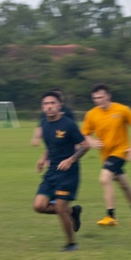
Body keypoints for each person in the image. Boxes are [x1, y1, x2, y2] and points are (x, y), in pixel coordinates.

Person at [33, 91, 91, 251]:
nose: (49, 107)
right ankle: (72, 212)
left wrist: (71, 159)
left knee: (59, 207)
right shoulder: (44, 124)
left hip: (68, 173)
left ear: (59, 106)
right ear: (42, 107)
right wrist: (43, 158)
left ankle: (71, 243)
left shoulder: (68, 125)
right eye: (46, 104)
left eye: (52, 103)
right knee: (38, 206)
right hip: (52, 172)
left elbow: (86, 146)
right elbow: (52, 146)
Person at [81, 83, 131, 226]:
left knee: (104, 178)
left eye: (101, 97)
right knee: (123, 184)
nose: (98, 100)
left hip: (120, 151)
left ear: (108, 96)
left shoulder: (122, 110)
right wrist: (91, 141)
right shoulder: (91, 114)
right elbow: (85, 134)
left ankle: (110, 216)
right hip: (105, 155)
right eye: (95, 98)